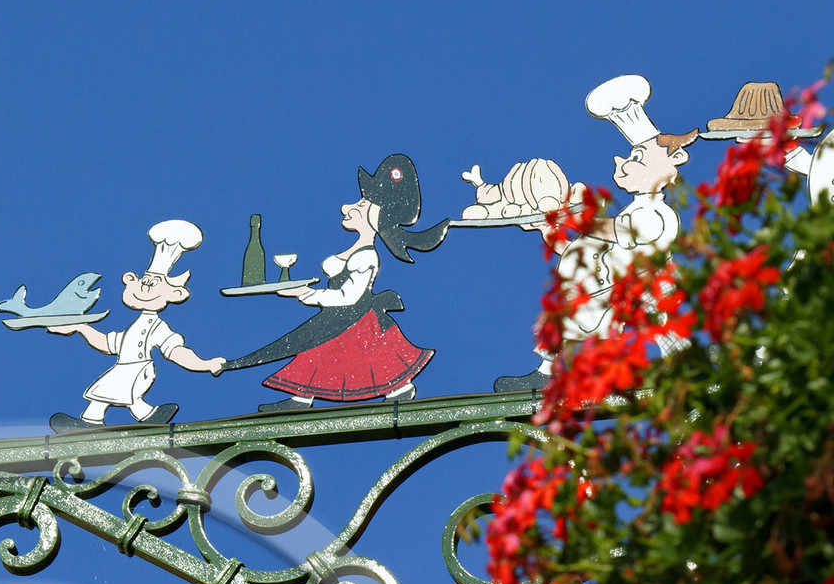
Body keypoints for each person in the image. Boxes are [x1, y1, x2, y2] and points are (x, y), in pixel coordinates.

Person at [495, 75, 698, 394]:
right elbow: (587, 246)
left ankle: (683, 364)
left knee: (659, 327)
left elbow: (616, 232)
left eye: (636, 158)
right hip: (611, 286)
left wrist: (583, 222)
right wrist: (551, 229)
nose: (623, 162)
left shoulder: (656, 213)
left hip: (640, 285)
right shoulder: (636, 208)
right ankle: (550, 371)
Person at [220, 155, 446, 408]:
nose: (347, 208)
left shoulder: (366, 256)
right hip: (342, 316)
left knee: (330, 353)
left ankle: (396, 389)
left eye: (361, 205)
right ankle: (302, 397)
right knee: (314, 354)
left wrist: (306, 294)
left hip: (356, 320)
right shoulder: (356, 252)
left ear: (375, 218)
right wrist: (301, 292)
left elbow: (349, 297)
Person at [42, 220, 226, 430]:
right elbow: (107, 343)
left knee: (107, 395)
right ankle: (148, 415)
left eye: (152, 283)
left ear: (175, 294)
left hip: (137, 369)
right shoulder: (135, 326)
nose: (144, 287)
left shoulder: (157, 327)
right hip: (125, 368)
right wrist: (81, 327)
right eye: (144, 281)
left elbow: (175, 352)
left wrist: (205, 364)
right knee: (118, 396)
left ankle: (93, 422)